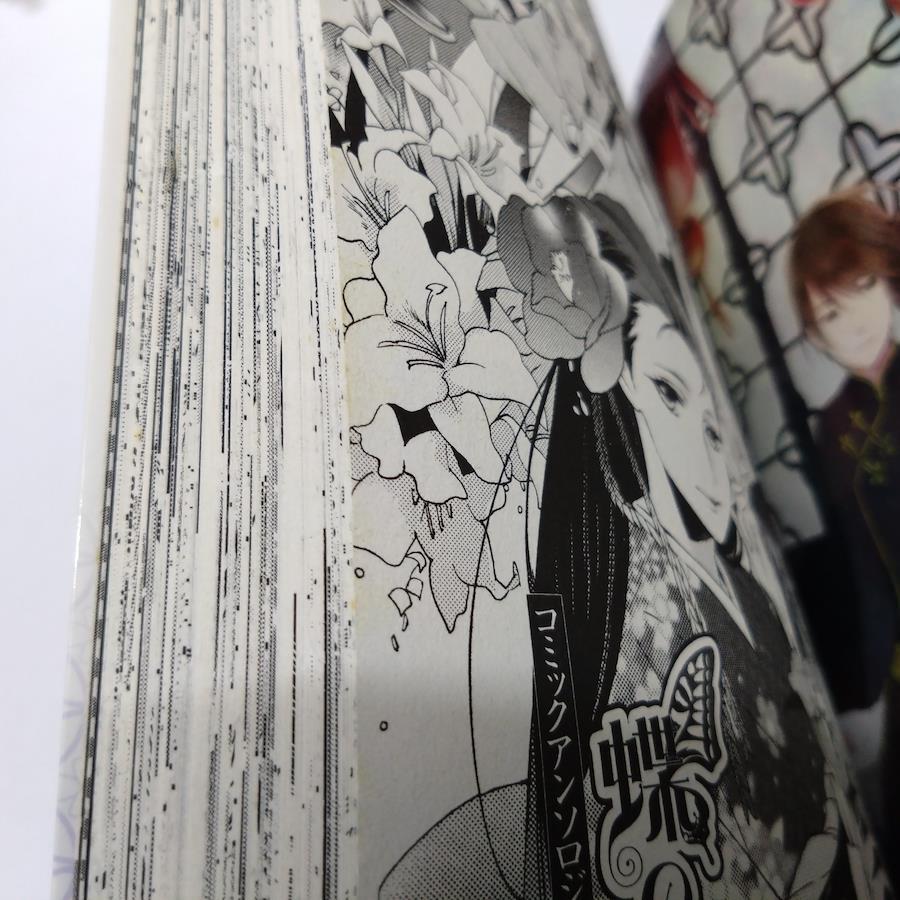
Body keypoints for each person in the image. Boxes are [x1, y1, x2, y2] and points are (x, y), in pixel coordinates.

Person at [790, 186, 900, 876]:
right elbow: (861, 567)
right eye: (829, 310)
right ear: (814, 327)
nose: (851, 320)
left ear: (888, 278)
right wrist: (870, 694)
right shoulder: (834, 428)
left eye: (861, 287)